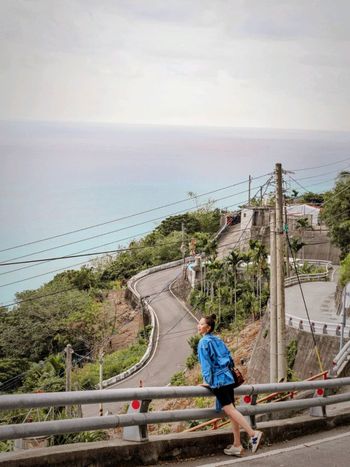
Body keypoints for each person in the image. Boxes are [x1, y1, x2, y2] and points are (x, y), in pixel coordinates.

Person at [197, 313, 263, 457]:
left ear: (207, 328)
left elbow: (206, 365)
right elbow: (229, 357)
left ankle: (253, 434)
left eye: (201, 324)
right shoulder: (217, 339)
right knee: (232, 411)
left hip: (218, 381)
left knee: (230, 410)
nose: (199, 326)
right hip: (228, 378)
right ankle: (237, 445)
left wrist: (208, 382)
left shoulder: (203, 343)